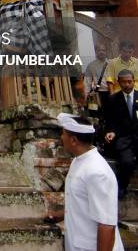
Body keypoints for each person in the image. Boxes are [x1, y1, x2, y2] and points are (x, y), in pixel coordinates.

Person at [58, 112, 124, 251]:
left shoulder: (97, 172)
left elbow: (106, 224)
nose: (61, 137)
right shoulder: (78, 160)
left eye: (63, 134)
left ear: (74, 140)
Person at [105, 70, 138, 199]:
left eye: (130, 81)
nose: (127, 85)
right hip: (123, 138)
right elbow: (110, 121)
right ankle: (121, 187)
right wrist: (111, 132)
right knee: (126, 162)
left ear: (134, 81)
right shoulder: (112, 99)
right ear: (119, 82)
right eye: (124, 82)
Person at [85, 40, 110, 114]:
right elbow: (87, 83)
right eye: (99, 50)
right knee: (98, 115)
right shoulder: (91, 66)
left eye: (103, 50)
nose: (101, 52)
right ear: (96, 51)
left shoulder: (111, 64)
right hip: (98, 93)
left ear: (106, 52)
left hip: (111, 93)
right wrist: (86, 96)